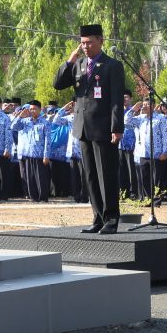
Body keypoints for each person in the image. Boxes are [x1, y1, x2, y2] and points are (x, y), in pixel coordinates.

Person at [53, 24, 125, 234]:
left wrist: (116, 127)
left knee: (107, 175)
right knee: (91, 176)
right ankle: (98, 218)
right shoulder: (79, 64)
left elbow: (116, 100)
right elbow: (58, 84)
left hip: (104, 128)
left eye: (89, 42)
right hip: (83, 128)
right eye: (82, 42)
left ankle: (111, 218)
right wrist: (70, 60)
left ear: (101, 41)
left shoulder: (112, 65)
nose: (85, 46)